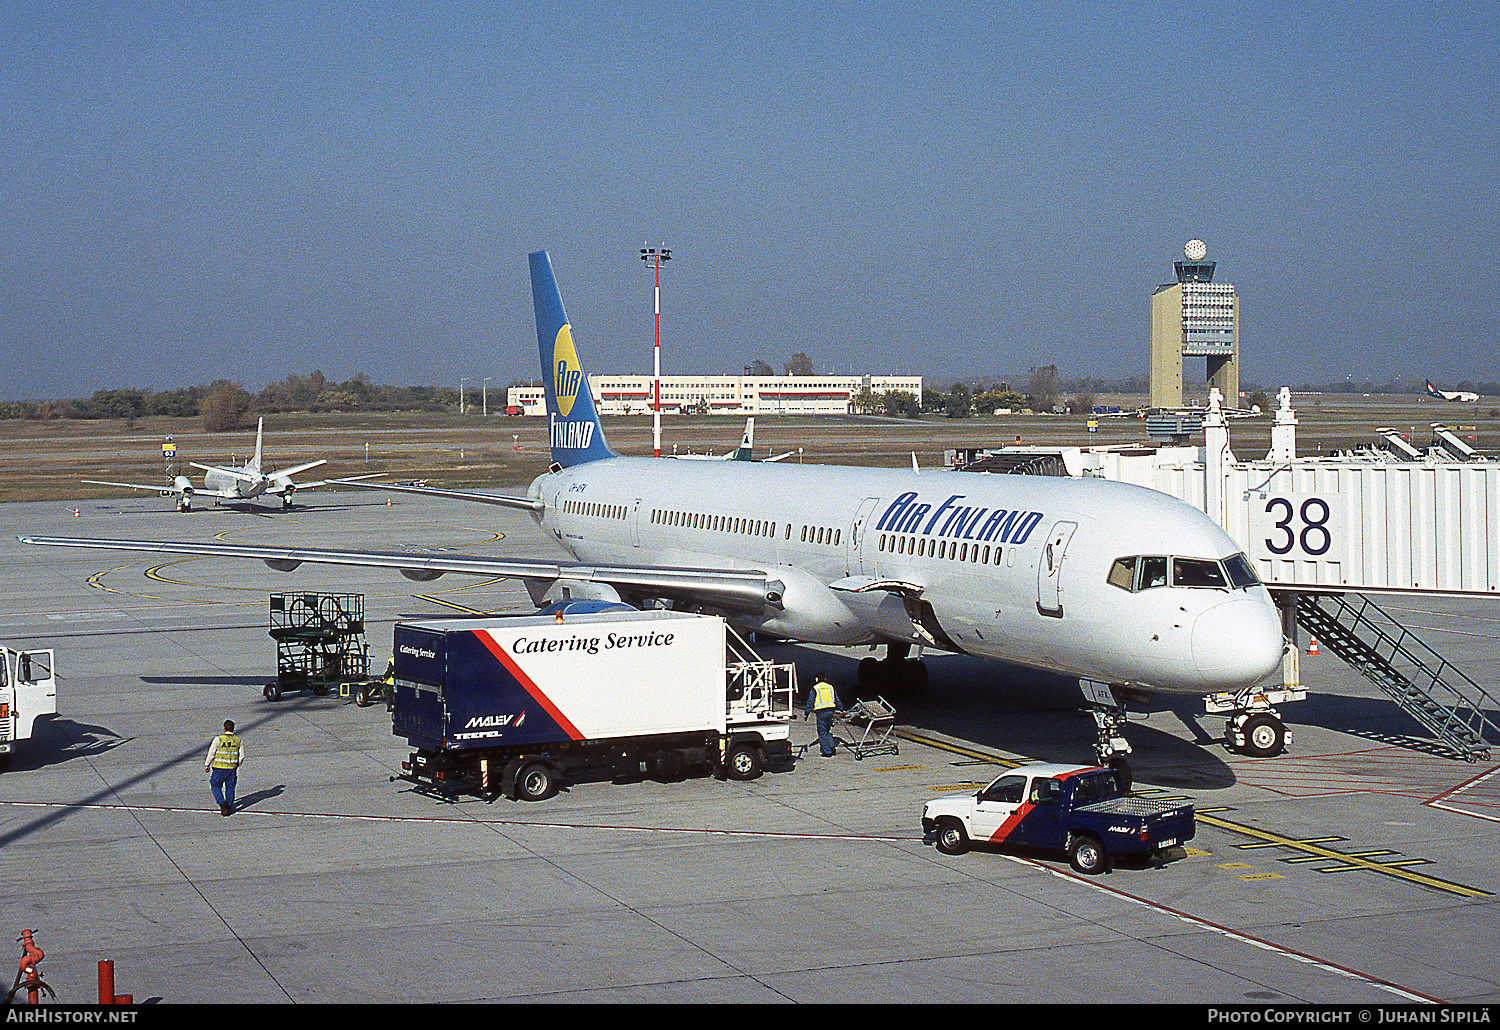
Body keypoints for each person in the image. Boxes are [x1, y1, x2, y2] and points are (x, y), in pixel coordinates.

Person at [204, 720, 243, 816]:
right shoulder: (238, 740)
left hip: (219, 768)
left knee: (215, 785)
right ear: (233, 729)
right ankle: (229, 807)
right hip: (231, 769)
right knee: (230, 788)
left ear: (224, 728)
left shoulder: (219, 739)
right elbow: (241, 756)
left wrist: (207, 764)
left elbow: (212, 753)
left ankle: (222, 802)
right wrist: (236, 765)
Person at [804, 674, 841, 757]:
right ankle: (832, 747)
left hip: (821, 712)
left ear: (816, 679)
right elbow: (836, 698)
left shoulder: (815, 688)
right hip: (831, 711)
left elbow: (810, 701)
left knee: (822, 732)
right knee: (827, 730)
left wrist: (807, 713)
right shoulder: (830, 687)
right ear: (825, 678)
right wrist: (841, 708)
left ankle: (827, 751)